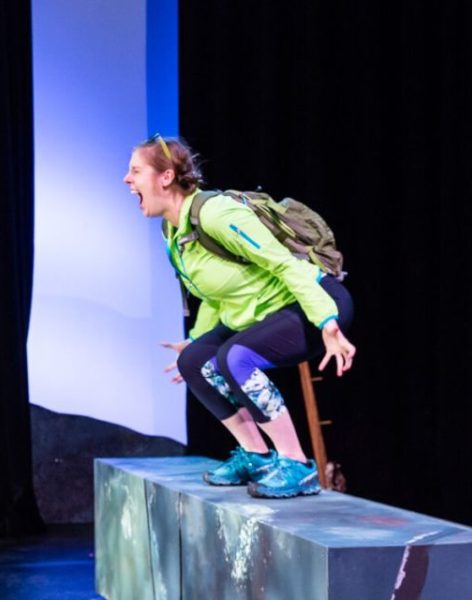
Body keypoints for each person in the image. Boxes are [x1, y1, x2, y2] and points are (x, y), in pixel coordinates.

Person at [123, 134, 356, 499]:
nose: (127, 179)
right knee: (194, 361)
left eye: (136, 171)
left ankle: (296, 464)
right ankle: (257, 456)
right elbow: (216, 294)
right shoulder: (173, 231)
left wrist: (327, 322)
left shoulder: (216, 213)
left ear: (165, 177)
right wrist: (196, 338)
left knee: (236, 358)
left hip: (314, 301)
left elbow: (283, 263)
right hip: (266, 313)